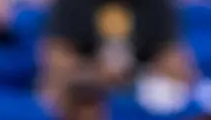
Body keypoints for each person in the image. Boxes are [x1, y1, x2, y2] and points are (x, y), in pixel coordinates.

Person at [38, 0, 195, 111]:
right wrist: (95, 73)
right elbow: (57, 59)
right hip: (84, 85)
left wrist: (130, 75)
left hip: (140, 84)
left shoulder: (157, 6)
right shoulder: (70, 5)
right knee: (56, 83)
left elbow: (174, 62)